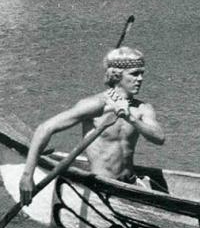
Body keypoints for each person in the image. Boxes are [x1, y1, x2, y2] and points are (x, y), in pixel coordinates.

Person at [18, 46, 166, 205]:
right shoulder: (96, 105)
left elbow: (159, 138)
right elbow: (45, 128)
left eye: (142, 73)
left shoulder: (142, 109)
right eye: (134, 74)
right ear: (117, 75)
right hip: (101, 187)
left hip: (129, 184)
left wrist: (131, 118)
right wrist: (27, 176)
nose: (140, 79)